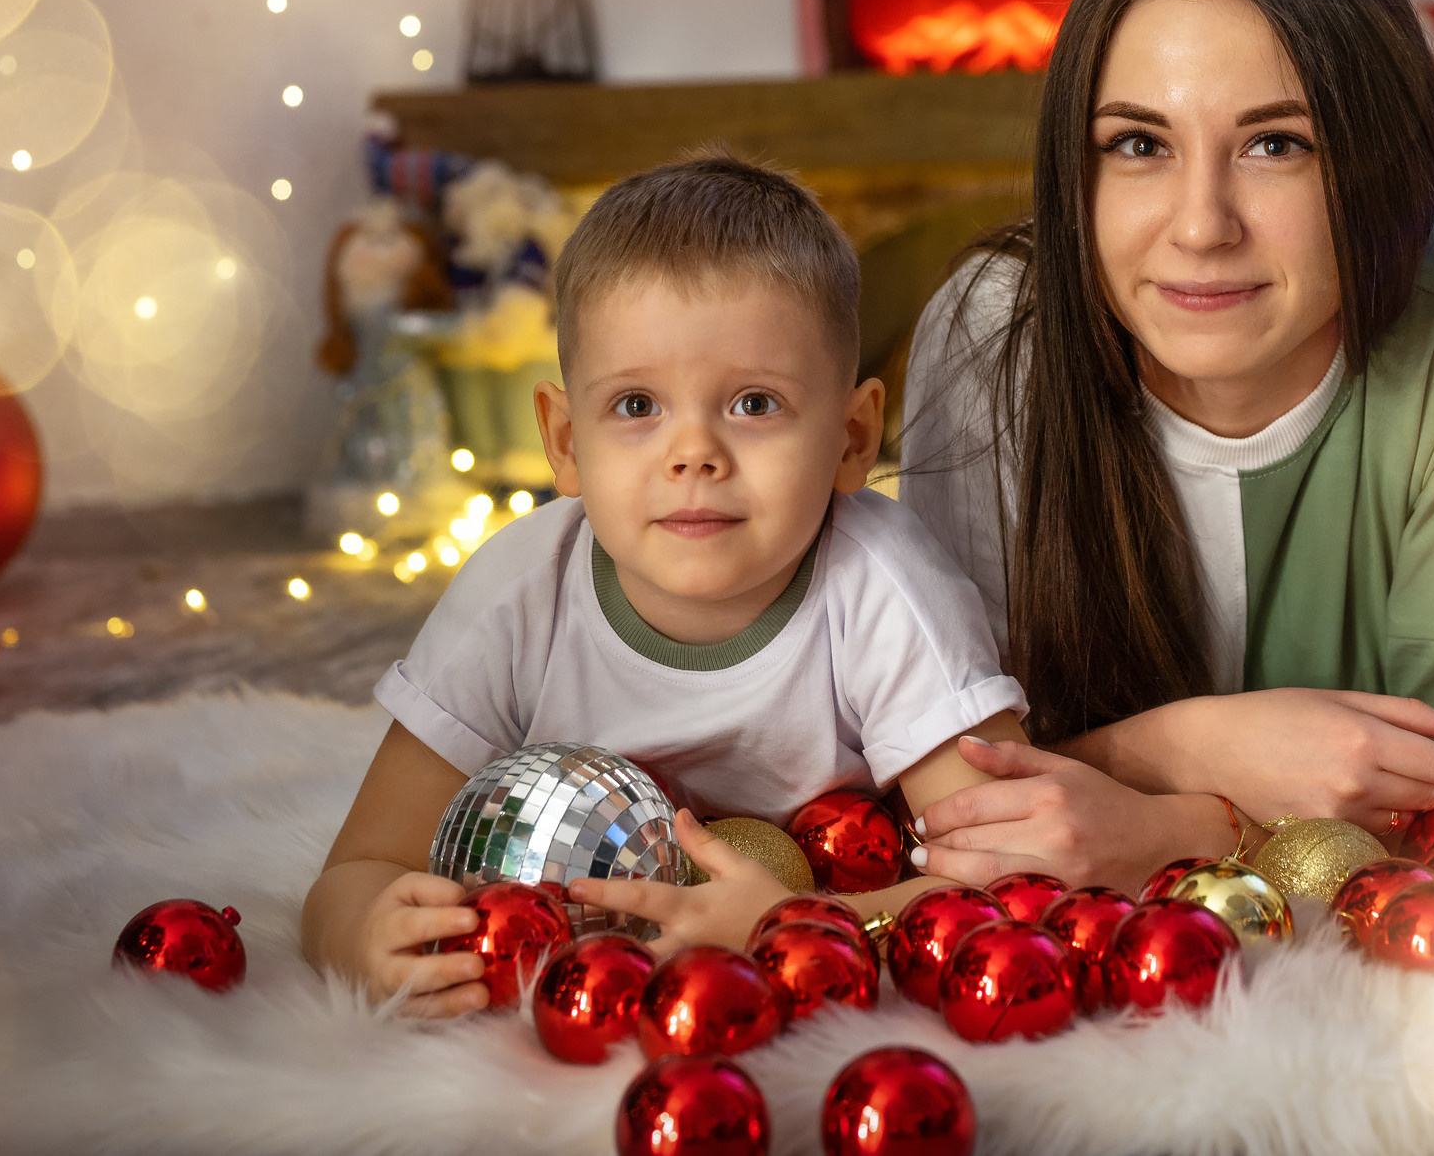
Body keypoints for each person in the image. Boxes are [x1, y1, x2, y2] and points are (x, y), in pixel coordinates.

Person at [896, 0, 1434, 895]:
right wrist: (1195, 749)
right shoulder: (995, 333)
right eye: (1139, 144)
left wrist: (1175, 827)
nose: (1201, 226)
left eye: (1274, 143)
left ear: (1374, 165)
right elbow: (972, 773)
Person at [302, 155, 1027, 1015]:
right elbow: (355, 871)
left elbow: (1011, 885)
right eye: (637, 406)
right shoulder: (517, 592)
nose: (694, 454)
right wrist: (362, 935)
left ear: (852, 436)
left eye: (754, 403)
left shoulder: (888, 590)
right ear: (566, 442)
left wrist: (803, 924)